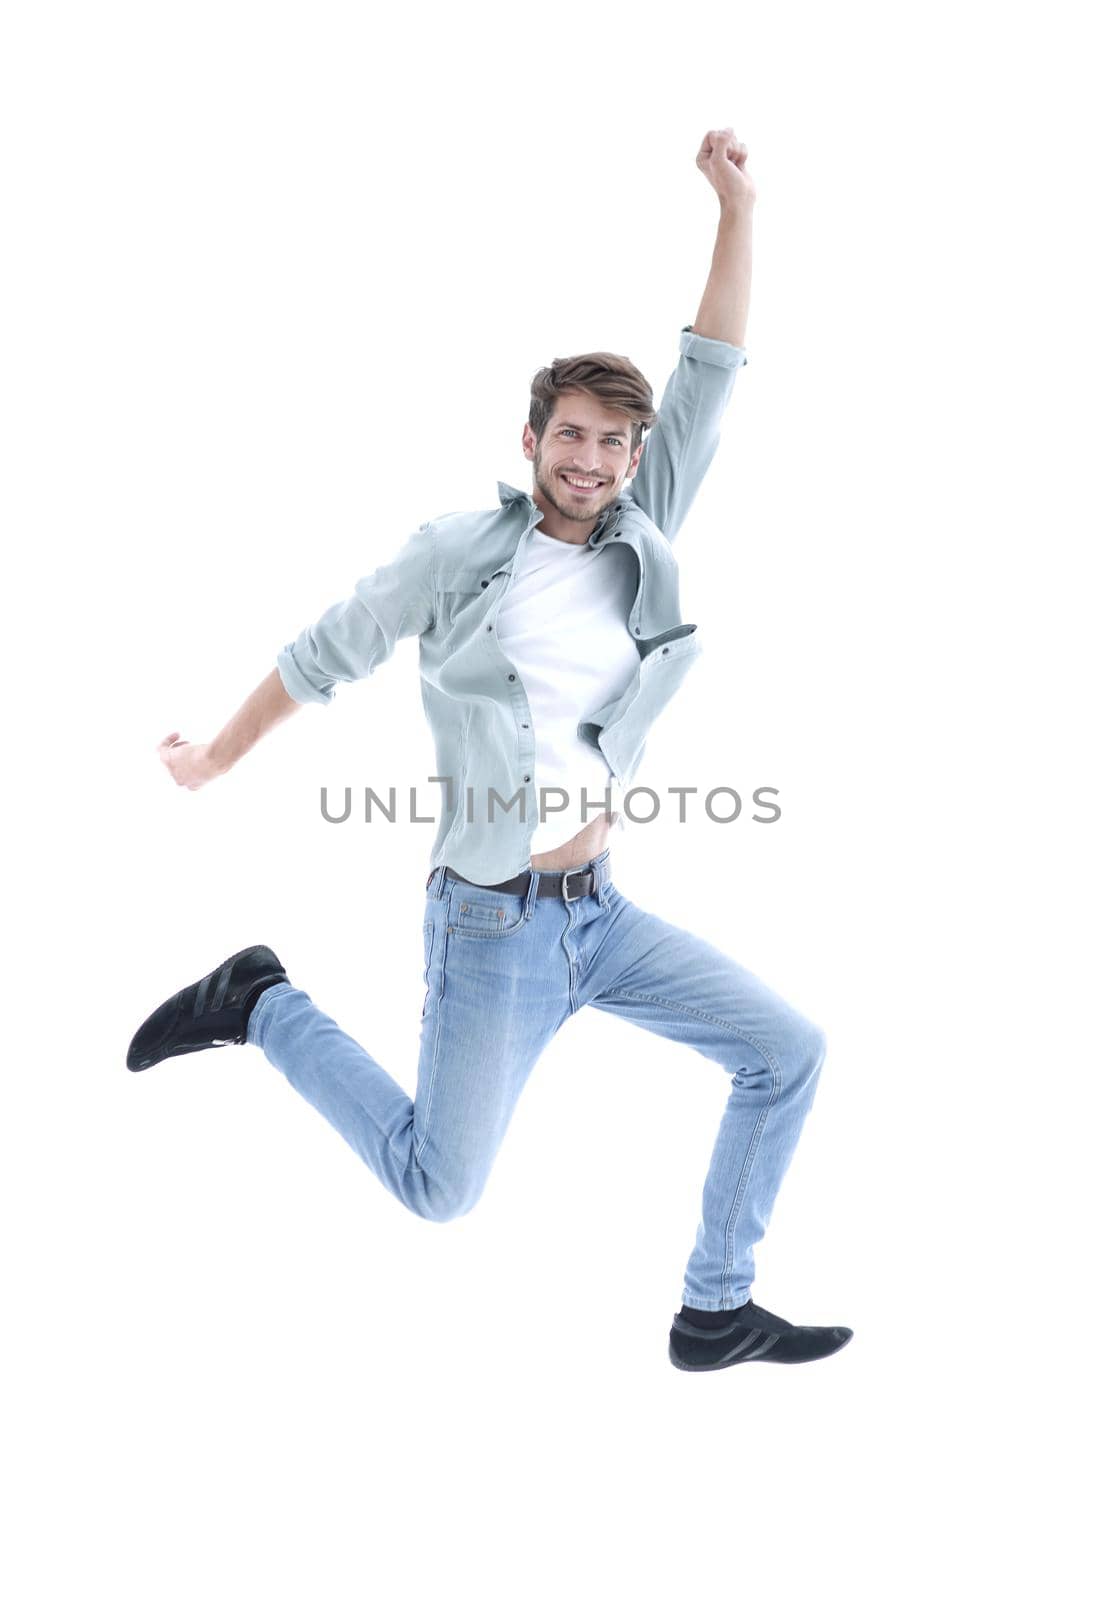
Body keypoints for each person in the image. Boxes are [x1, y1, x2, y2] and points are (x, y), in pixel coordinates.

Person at [127, 128, 852, 1373]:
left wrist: (736, 206)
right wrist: (216, 760)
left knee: (786, 1050)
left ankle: (712, 1307)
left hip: (603, 916)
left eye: (613, 443)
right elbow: (325, 653)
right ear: (530, 442)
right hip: (492, 925)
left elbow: (714, 367)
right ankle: (261, 1002)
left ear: (632, 456)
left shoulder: (646, 526)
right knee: (437, 1189)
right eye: (568, 436)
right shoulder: (458, 552)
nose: (591, 460)